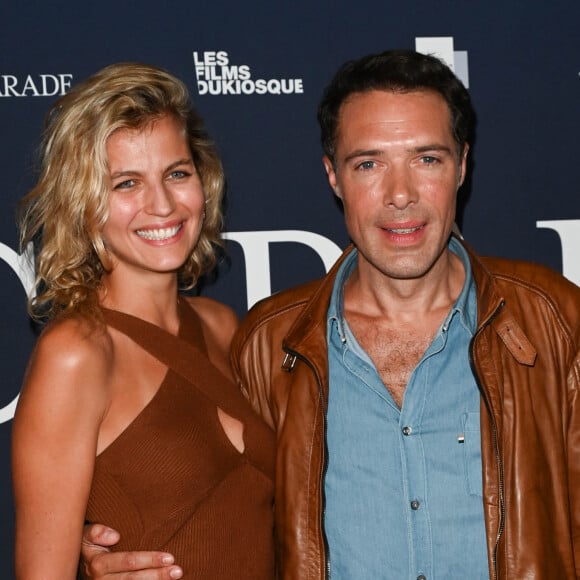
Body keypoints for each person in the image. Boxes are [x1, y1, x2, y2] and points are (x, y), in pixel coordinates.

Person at [80, 50, 580, 579]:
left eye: (426, 158)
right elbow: (222, 510)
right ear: (333, 176)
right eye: (369, 164)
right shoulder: (270, 344)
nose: (401, 195)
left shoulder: (555, 321)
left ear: (462, 165)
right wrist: (102, 559)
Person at [11, 63, 275, 580]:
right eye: (126, 183)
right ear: (84, 203)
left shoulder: (220, 324)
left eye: (177, 173)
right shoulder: (78, 353)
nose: (162, 205)